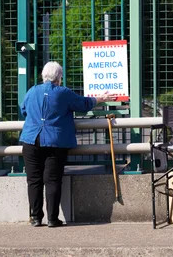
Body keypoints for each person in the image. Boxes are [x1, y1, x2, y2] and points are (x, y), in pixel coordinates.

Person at [19, 61, 117, 228]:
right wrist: (102, 98)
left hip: (30, 140)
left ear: (43, 76)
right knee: (52, 180)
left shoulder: (32, 91)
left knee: (34, 180)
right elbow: (83, 104)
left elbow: (23, 110)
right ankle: (52, 219)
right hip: (55, 142)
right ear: (59, 77)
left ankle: (35, 218)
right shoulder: (63, 93)